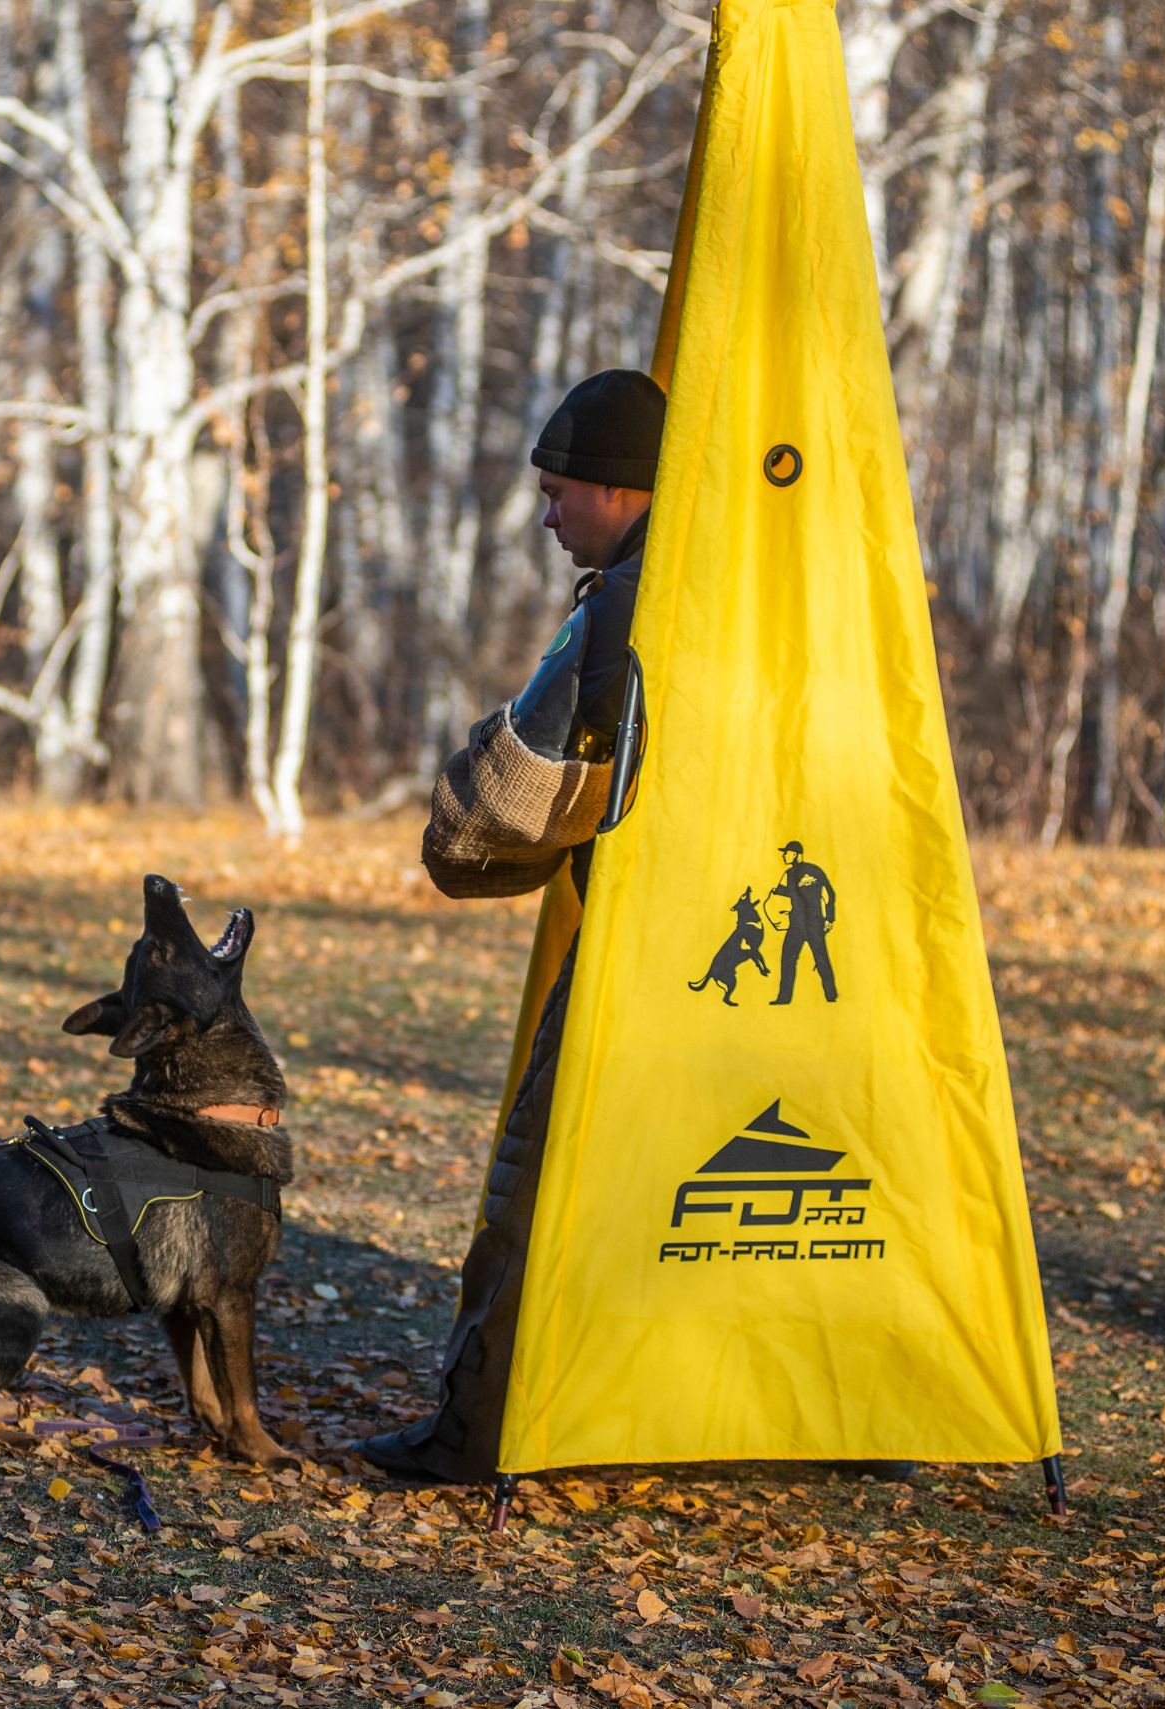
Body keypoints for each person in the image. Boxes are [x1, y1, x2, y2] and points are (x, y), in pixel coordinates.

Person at [351, 370, 661, 1485]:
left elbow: (481, 830)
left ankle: (472, 1429)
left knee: (540, 1180)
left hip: (645, 952)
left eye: (558, 490)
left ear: (620, 491)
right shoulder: (787, 589)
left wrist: (469, 798)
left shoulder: (623, 601)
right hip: (785, 968)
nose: (546, 515)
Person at [768, 839, 839, 1004]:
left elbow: (830, 893)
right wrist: (778, 891)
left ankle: (831, 996)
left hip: (814, 923)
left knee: (821, 959)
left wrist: (829, 918)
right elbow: (791, 894)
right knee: (787, 959)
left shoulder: (813, 870)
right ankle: (784, 998)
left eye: (787, 852)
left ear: (796, 854)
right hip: (796, 925)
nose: (784, 856)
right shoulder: (787, 874)